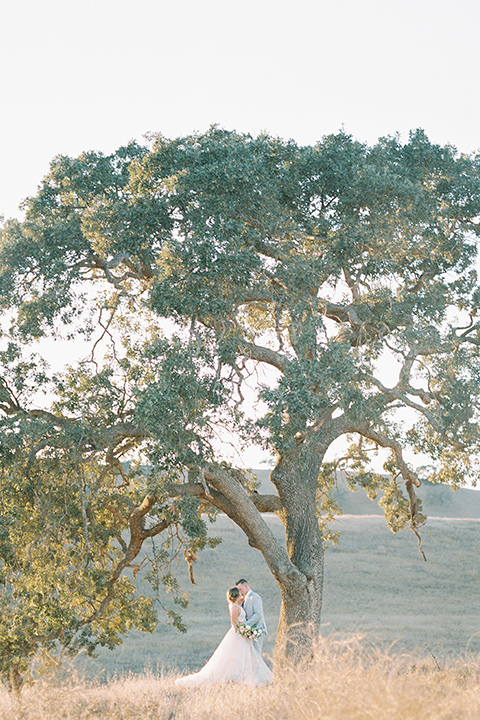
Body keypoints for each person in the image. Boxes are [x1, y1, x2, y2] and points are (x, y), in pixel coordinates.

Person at [174, 587, 273, 687]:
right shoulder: (234, 607)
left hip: (240, 633)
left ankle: (245, 676)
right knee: (239, 655)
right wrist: (243, 633)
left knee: (245, 655)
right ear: (237, 595)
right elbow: (234, 623)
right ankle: (240, 677)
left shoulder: (233, 605)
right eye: (239, 593)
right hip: (238, 634)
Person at [236, 578, 267, 656]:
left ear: (246, 587)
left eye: (240, 589)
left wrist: (246, 624)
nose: (239, 592)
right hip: (249, 631)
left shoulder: (255, 597)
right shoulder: (243, 599)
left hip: (257, 630)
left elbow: (258, 614)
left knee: (256, 654)